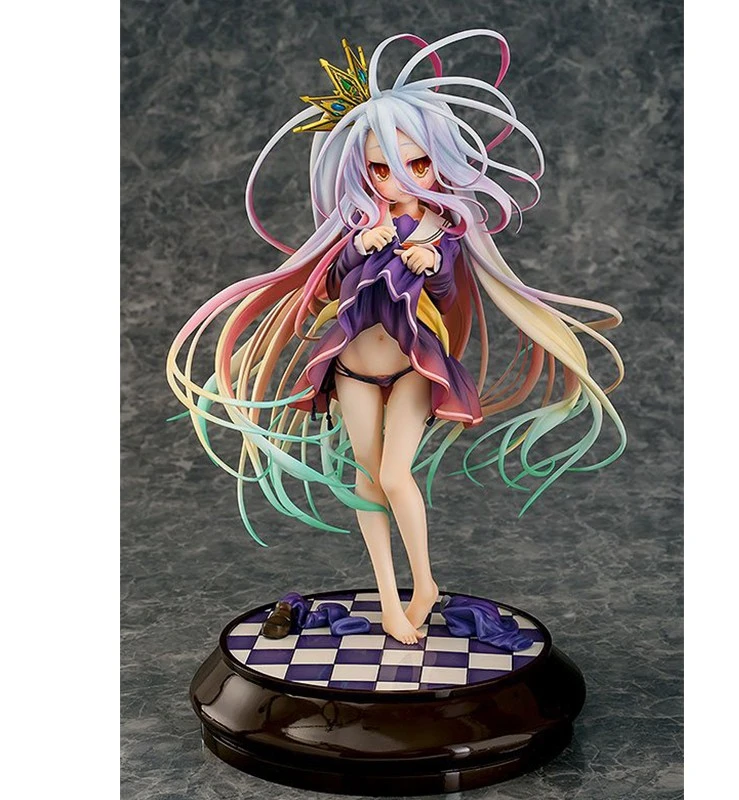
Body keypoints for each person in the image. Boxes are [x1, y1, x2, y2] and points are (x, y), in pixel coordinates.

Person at [166, 30, 626, 644]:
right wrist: (360, 245)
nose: (399, 180)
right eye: (381, 169)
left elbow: (447, 294)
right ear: (362, 170)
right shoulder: (355, 222)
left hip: (411, 369)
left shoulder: (445, 227)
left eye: (417, 164)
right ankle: (389, 597)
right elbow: (327, 288)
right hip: (352, 369)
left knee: (394, 474)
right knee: (367, 478)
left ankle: (425, 583)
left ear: (438, 161)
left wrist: (431, 262)